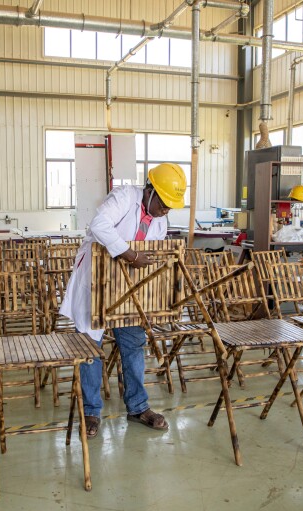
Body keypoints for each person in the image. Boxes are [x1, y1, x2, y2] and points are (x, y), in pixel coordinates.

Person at [60, 163, 187, 438]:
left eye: (170, 206)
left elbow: (151, 259)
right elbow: (99, 225)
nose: (166, 210)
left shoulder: (161, 221)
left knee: (133, 343)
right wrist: (129, 254)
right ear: (150, 191)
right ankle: (91, 411)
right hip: (96, 280)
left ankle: (138, 406)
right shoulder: (123, 197)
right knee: (90, 348)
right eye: (163, 203)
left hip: (128, 288)